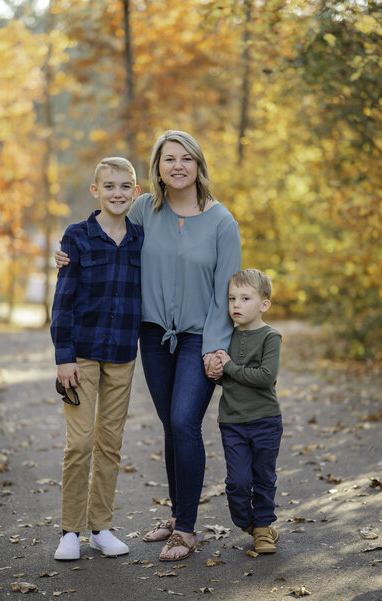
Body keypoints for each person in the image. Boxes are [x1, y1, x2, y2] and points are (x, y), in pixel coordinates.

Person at [55, 130, 241, 561]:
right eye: (168, 158)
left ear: (199, 164)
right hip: (152, 337)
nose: (177, 166)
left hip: (200, 338)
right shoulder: (145, 209)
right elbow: (106, 218)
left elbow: (227, 290)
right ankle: (176, 516)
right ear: (157, 168)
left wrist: (218, 346)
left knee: (183, 422)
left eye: (186, 158)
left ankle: (188, 530)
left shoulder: (221, 222)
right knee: (170, 427)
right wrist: (67, 251)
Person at [50, 157, 143, 560]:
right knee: (81, 443)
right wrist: (63, 356)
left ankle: (100, 527)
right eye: (109, 186)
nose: (117, 193)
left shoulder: (141, 238)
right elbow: (63, 301)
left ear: (135, 193)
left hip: (123, 354)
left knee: (110, 443)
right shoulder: (76, 236)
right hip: (82, 355)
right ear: (95, 191)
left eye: (125, 186)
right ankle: (70, 530)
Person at [208, 268, 283, 554]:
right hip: (233, 421)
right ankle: (248, 523)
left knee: (263, 477)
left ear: (264, 304)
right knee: (238, 481)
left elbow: (265, 376)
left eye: (245, 298)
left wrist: (228, 366)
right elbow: (226, 378)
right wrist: (216, 372)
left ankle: (263, 530)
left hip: (265, 420)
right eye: (231, 298)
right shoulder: (227, 336)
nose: (236, 305)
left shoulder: (270, 337)